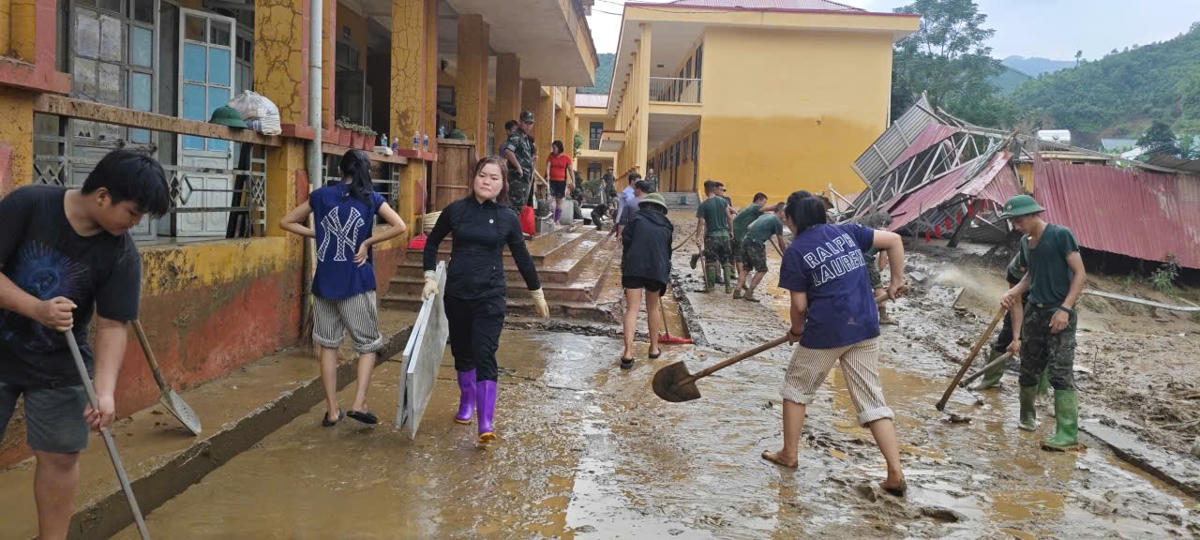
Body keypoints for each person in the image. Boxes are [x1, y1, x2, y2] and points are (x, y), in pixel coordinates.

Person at [0, 149, 170, 540]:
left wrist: (104, 391)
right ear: (103, 196)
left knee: (61, 458)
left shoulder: (122, 254)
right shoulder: (29, 205)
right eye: (133, 213)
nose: (135, 224)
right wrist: (36, 308)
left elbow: (113, 324)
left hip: (62, 363)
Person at [762, 191, 907, 498]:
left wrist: (797, 330)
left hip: (825, 332)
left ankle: (789, 454)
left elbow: (799, 306)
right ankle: (895, 472)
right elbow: (894, 240)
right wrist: (897, 280)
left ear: (794, 220)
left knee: (796, 389)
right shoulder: (848, 232)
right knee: (872, 401)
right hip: (865, 325)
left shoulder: (796, 251)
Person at [422, 156, 550, 443]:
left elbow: (522, 257)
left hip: (490, 296)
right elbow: (432, 242)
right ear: (474, 177)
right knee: (462, 353)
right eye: (482, 175)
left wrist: (536, 292)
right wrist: (429, 276)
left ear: (502, 184)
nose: (487, 181)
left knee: (485, 353)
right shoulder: (456, 210)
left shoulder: (507, 217)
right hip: (457, 294)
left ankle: (486, 422)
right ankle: (467, 402)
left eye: (494, 177)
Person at [281, 150, 408, 427]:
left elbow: (286, 222)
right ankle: (359, 403)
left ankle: (332, 410)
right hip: (356, 282)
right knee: (368, 345)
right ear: (366, 171)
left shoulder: (320, 196)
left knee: (328, 346)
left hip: (325, 284)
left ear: (340, 170)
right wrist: (367, 242)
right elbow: (400, 226)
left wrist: (317, 233)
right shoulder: (370, 198)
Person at [998, 194, 1086, 451]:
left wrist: (1065, 309)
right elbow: (1031, 276)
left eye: (1018, 220)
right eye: (1012, 221)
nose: (1015, 226)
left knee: (1059, 372)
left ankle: (1067, 434)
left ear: (1033, 214)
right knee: (1028, 368)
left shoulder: (1060, 235)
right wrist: (1014, 292)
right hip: (1034, 313)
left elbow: (1080, 274)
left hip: (1058, 312)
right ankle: (1026, 419)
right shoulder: (1026, 243)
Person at [618, 193, 673, 370]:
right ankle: (654, 348)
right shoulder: (667, 225)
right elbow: (667, 252)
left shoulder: (635, 220)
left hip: (634, 267)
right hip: (656, 269)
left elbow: (626, 243)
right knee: (653, 308)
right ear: (661, 209)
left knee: (632, 308)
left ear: (644, 206)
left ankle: (628, 353)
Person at [737, 203, 788, 302]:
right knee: (762, 269)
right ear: (781, 211)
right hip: (756, 244)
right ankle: (749, 293)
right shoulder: (777, 222)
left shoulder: (765, 215)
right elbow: (781, 242)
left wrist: (764, 232)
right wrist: (786, 255)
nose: (786, 216)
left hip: (746, 241)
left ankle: (737, 290)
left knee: (746, 268)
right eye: (786, 213)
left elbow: (749, 226)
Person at [693, 180, 734, 293]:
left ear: (706, 190)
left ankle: (710, 287)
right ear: (714, 189)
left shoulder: (704, 205)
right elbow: (729, 218)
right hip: (724, 235)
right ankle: (728, 287)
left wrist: (698, 237)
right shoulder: (723, 201)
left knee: (711, 261)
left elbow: (701, 222)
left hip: (712, 237)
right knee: (726, 261)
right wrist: (731, 231)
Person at [731, 193, 768, 298]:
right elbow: (766, 212)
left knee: (740, 260)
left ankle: (740, 285)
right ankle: (742, 284)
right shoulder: (755, 207)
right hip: (739, 235)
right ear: (759, 200)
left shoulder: (750, 207)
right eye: (764, 202)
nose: (764, 205)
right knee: (740, 260)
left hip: (736, 234)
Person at [502, 111, 537, 213]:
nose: (528, 126)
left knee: (521, 207)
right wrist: (518, 167)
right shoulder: (515, 136)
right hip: (516, 179)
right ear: (520, 122)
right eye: (526, 123)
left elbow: (526, 156)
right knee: (514, 207)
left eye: (531, 123)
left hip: (525, 178)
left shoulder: (526, 138)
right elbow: (508, 151)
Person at [545, 140, 574, 223]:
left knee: (558, 201)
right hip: (552, 181)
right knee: (550, 200)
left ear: (559, 148)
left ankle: (557, 220)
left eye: (554, 148)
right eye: (552, 148)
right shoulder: (551, 156)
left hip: (561, 182)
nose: (553, 149)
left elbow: (570, 170)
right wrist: (548, 175)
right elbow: (548, 166)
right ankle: (550, 219)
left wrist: (573, 181)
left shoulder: (566, 158)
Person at [610, 173, 644, 239]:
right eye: (638, 181)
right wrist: (617, 222)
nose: (639, 182)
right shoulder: (626, 192)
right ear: (632, 181)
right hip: (626, 221)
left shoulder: (637, 191)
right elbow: (622, 208)